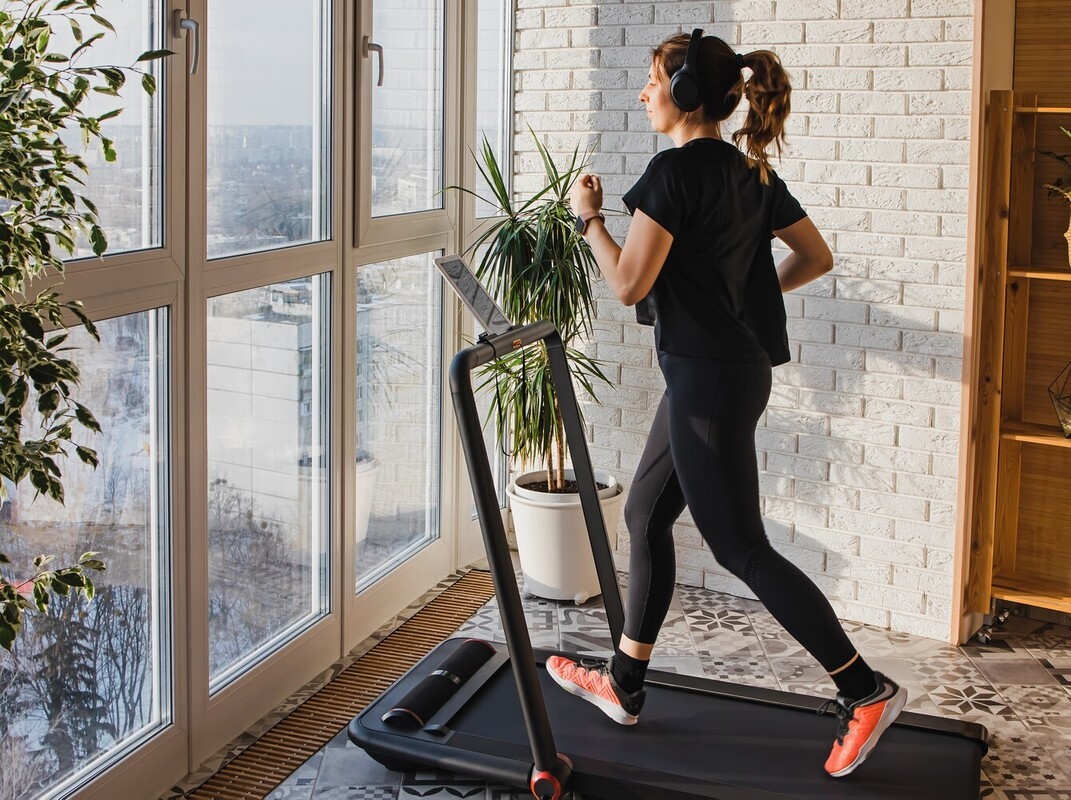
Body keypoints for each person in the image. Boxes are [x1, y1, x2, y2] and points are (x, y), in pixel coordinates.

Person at [545, 29, 908, 779]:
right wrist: (737, 299)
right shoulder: (750, 170)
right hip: (716, 375)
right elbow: (815, 257)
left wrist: (589, 219)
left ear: (682, 95)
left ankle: (864, 689)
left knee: (740, 547)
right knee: (645, 514)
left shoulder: (672, 174)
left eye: (650, 82)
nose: (642, 94)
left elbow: (628, 286)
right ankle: (624, 684)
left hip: (707, 380)